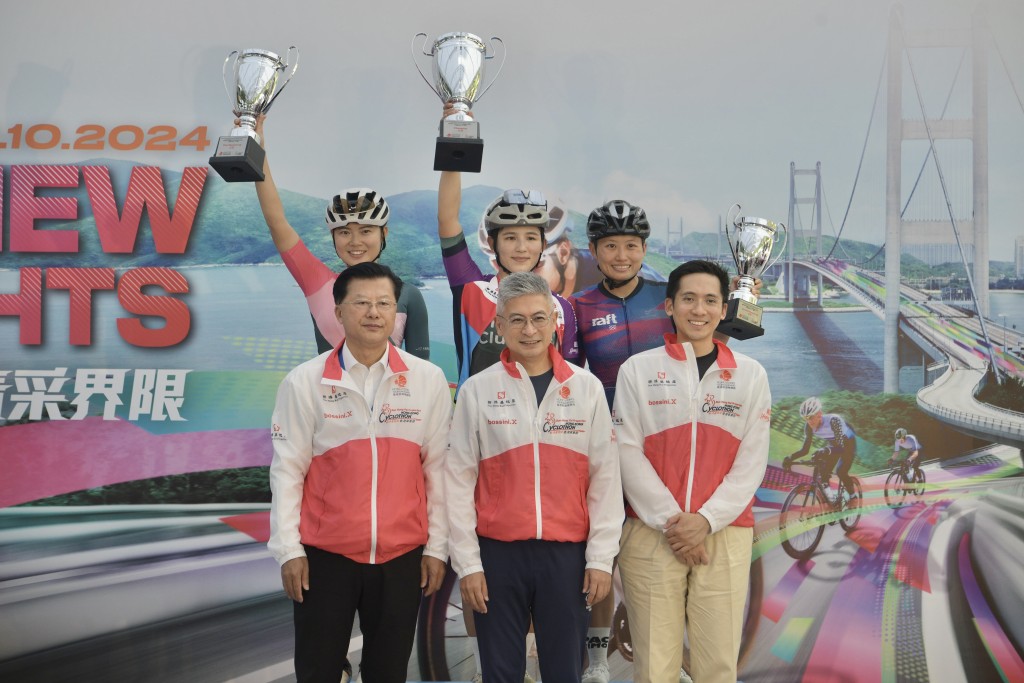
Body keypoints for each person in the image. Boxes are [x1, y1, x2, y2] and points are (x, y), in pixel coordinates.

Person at [571, 200, 754, 683]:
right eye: (610, 246)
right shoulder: (578, 306)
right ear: (594, 251)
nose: (622, 255)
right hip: (620, 455)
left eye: (631, 245)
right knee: (606, 571)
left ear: (645, 250)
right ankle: (595, 658)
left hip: (691, 476)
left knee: (714, 656)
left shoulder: (668, 294)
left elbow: (719, 346)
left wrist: (701, 521)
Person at [267, 262, 451, 683]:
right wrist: (290, 550)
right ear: (338, 311)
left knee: (388, 672)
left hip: (402, 557)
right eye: (362, 303)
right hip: (324, 558)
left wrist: (437, 549)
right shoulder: (304, 382)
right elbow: (287, 472)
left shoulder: (428, 380)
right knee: (317, 670)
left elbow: (439, 471)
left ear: (395, 313)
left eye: (384, 303)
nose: (374, 312)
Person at [446, 272, 624, 683]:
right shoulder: (476, 391)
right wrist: (469, 565)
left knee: (564, 673)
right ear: (499, 324)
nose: (530, 330)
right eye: (518, 319)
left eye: (540, 318)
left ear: (555, 323)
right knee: (500, 674)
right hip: (496, 556)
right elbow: (456, 484)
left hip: (566, 557)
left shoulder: (586, 388)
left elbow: (604, 481)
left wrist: (599, 559)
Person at [613, 260, 771, 683]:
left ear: (724, 310)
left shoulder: (751, 375)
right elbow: (627, 453)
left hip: (724, 533)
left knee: (717, 666)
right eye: (688, 299)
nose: (698, 310)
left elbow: (752, 462)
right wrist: (676, 524)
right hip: (651, 534)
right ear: (669, 305)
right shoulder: (637, 370)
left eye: (710, 301)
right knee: (653, 667)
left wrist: (704, 521)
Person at [251, 115, 430, 358]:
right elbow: (276, 221)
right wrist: (257, 146)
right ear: (333, 236)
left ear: (383, 233)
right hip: (327, 395)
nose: (355, 242)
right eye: (345, 232)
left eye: (365, 231)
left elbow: (420, 369)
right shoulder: (317, 282)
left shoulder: (409, 295)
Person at [438, 171, 579, 391]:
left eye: (531, 238)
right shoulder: (472, 289)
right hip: (480, 418)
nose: (521, 248)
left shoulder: (561, 308)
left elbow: (569, 377)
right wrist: (453, 161)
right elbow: (447, 221)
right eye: (510, 237)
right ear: (493, 244)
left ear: (543, 245)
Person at [792, 396, 858, 494]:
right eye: (806, 418)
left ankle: (853, 497)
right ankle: (829, 497)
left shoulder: (834, 421)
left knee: (841, 472)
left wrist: (826, 450)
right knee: (823, 472)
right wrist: (790, 458)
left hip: (848, 444)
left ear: (819, 414)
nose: (809, 421)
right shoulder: (809, 426)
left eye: (811, 417)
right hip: (834, 445)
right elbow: (805, 450)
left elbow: (841, 447)